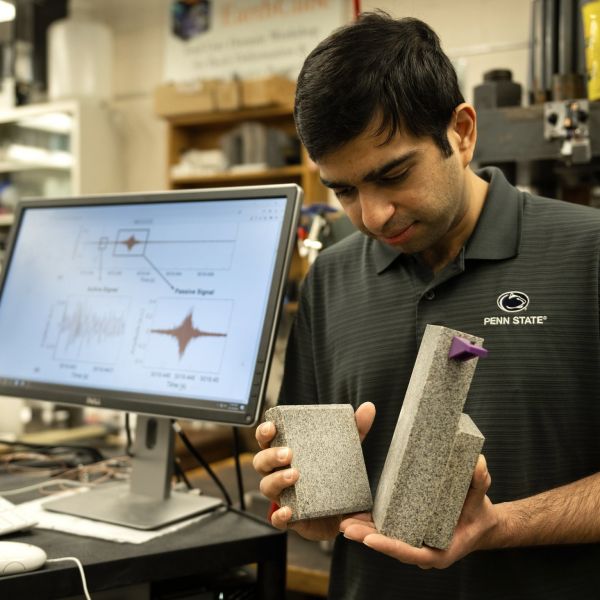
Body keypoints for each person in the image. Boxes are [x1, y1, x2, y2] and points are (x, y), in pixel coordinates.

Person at [252, 11, 600, 600]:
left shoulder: (587, 254)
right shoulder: (332, 277)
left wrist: (499, 527)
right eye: (344, 189)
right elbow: (318, 513)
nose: (372, 215)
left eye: (394, 174)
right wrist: (305, 501)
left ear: (461, 132)